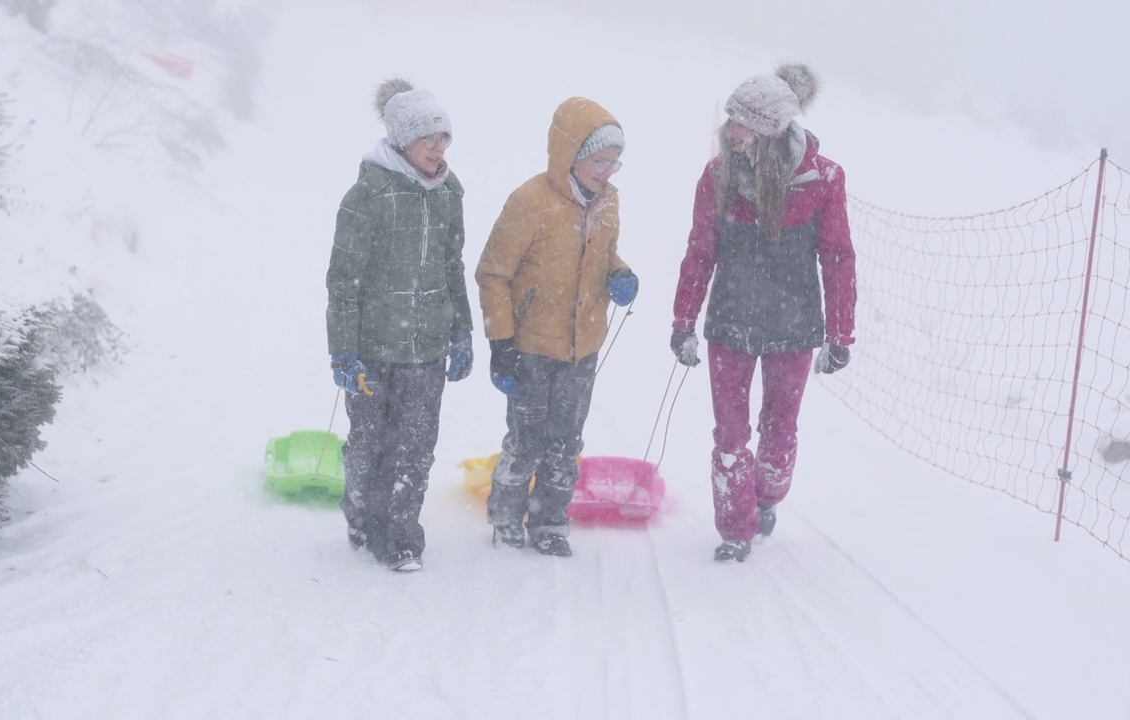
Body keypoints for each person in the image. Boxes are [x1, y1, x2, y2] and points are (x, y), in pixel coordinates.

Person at [670, 63, 856, 563]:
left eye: (741, 124)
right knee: (730, 434)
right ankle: (735, 529)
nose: (730, 133)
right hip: (730, 322)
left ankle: (768, 497)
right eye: (730, 121)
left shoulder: (823, 179)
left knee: (780, 429)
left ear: (771, 132)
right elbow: (700, 248)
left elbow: (837, 256)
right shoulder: (717, 176)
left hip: (793, 326)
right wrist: (683, 321)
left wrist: (841, 333)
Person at [475, 97, 638, 558]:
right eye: (598, 160)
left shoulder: (608, 202)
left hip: (582, 346)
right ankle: (506, 517)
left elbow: (605, 256)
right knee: (526, 440)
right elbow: (493, 273)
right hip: (530, 346)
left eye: (613, 163)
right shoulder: (530, 202)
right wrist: (500, 342)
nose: (606, 172)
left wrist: (619, 275)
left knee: (565, 442)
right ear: (570, 155)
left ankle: (549, 520)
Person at [325, 78, 474, 573]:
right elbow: (343, 279)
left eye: (444, 137)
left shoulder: (449, 191)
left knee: (415, 447)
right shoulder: (367, 195)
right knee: (369, 443)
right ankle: (363, 514)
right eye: (428, 139)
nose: (439, 147)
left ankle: (402, 536)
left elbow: (453, 265)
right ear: (400, 141)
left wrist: (461, 330)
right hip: (372, 348)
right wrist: (342, 349)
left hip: (427, 347)